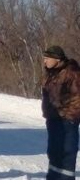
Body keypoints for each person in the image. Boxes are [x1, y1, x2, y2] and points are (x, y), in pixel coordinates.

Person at [41, 45, 80, 180]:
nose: (44, 61)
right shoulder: (51, 74)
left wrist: (67, 116)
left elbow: (77, 99)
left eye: (47, 58)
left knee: (66, 154)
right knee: (54, 153)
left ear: (57, 59)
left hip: (66, 122)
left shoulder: (71, 73)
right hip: (53, 120)